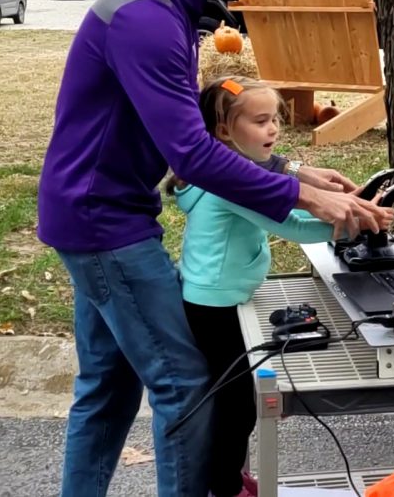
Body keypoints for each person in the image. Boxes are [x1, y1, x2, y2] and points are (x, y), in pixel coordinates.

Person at [37, 0, 394, 497]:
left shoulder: (164, 5)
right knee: (185, 388)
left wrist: (290, 166)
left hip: (96, 215)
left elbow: (192, 138)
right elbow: (196, 156)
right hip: (105, 224)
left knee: (107, 390)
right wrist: (307, 195)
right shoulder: (147, 17)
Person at [169, 76, 334, 497]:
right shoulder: (230, 186)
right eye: (260, 121)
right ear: (224, 131)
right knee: (237, 403)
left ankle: (225, 476)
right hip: (215, 306)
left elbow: (280, 184)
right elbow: (292, 225)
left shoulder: (226, 173)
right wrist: (346, 224)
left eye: (275, 118)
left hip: (216, 299)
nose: (273, 129)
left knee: (235, 399)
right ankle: (223, 486)